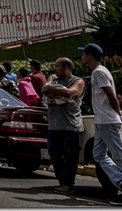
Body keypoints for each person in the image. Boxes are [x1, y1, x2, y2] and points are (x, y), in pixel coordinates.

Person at [80, 43, 122, 207]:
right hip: (102, 120)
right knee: (98, 155)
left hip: (107, 120)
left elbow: (111, 95)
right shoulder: (99, 72)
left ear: (90, 55)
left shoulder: (99, 72)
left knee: (119, 154)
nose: (82, 57)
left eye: (84, 54)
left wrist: (118, 111)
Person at [41, 57, 86, 195]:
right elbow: (44, 89)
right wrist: (63, 97)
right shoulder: (53, 78)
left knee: (70, 156)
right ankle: (62, 182)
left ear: (65, 67)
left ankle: (68, 184)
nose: (55, 69)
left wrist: (54, 91)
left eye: (57, 66)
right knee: (54, 154)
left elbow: (70, 92)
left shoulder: (78, 81)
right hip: (54, 125)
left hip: (70, 125)